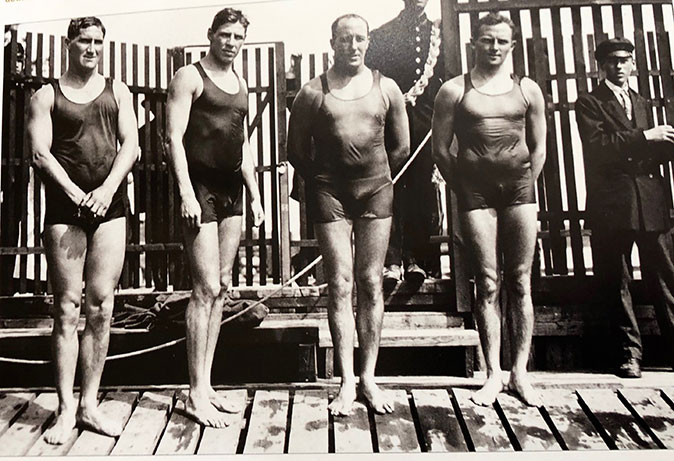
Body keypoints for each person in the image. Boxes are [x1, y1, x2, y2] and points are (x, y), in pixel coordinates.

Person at [287, 14, 409, 415]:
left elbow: (400, 147)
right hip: (330, 195)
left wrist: (372, 176)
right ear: (332, 43)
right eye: (344, 39)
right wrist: (325, 181)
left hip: (375, 191)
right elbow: (296, 152)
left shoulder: (386, 88)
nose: (352, 46)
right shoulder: (311, 93)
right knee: (339, 284)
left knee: (371, 282)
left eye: (359, 39)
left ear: (368, 42)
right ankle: (345, 382)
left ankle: (369, 378)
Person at [28, 17, 138, 443]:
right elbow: (40, 154)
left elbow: (132, 144)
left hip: (110, 206)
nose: (91, 48)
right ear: (68, 43)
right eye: (83, 41)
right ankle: (65, 409)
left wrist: (108, 189)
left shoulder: (118, 91)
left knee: (102, 306)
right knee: (66, 308)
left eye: (97, 42)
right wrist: (77, 194)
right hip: (65, 208)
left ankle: (90, 403)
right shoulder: (46, 95)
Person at [432, 12, 546, 406]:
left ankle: (520, 374)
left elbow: (539, 145)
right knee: (488, 281)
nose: (494, 47)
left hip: (519, 192)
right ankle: (493, 374)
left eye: (501, 41)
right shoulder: (454, 90)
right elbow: (439, 149)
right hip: (475, 195)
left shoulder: (527, 89)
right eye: (486, 40)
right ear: (474, 44)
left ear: (511, 46)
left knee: (520, 280)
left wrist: (527, 184)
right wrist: (464, 184)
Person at [166, 7, 264, 427]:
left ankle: (205, 385)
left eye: (238, 36)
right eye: (224, 34)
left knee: (222, 286)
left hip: (231, 193)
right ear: (211, 35)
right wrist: (186, 194)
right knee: (203, 287)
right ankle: (193, 392)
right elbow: (172, 137)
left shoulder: (241, 84)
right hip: (200, 190)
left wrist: (256, 197)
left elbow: (241, 148)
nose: (231, 42)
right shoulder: (190, 77)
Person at [575, 37, 674, 378]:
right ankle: (629, 355)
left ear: (634, 64)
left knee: (665, 277)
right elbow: (599, 146)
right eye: (611, 61)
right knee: (617, 280)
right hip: (612, 203)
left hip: (650, 201)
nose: (618, 66)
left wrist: (663, 145)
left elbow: (648, 150)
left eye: (624, 60)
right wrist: (646, 138)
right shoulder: (589, 102)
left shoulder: (641, 102)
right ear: (600, 66)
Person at [365, 0, 444, 284]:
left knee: (423, 191)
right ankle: (393, 260)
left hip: (427, 127)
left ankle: (420, 260)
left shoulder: (441, 34)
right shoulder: (383, 35)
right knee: (390, 190)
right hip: (390, 126)